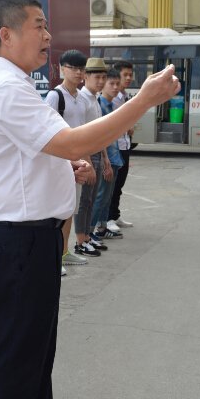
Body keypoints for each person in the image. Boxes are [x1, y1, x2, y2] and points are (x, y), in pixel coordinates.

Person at [0, 0, 179, 399]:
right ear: (6, 34)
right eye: (38, 25)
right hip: (17, 240)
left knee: (38, 339)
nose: (48, 35)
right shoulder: (3, 86)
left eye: (47, 25)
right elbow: (69, 141)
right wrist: (144, 100)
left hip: (35, 236)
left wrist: (65, 166)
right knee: (13, 352)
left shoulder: (17, 83)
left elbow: (38, 149)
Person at [45, 50, 98, 268]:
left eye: (81, 69)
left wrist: (88, 162)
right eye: (73, 68)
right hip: (59, 163)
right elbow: (47, 132)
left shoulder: (82, 99)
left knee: (69, 209)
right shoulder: (55, 96)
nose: (78, 72)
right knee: (56, 212)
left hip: (77, 164)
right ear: (61, 69)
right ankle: (52, 259)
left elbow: (83, 134)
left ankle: (64, 252)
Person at [77, 57, 111, 254]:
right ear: (86, 76)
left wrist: (105, 157)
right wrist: (88, 160)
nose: (101, 81)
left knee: (91, 199)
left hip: (98, 153)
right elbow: (82, 132)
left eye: (103, 77)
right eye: (97, 77)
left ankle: (88, 236)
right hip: (87, 155)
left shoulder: (95, 99)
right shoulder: (82, 99)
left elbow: (99, 132)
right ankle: (80, 241)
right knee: (84, 200)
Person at [93, 69, 125, 237]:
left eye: (117, 84)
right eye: (111, 84)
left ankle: (102, 228)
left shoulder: (111, 105)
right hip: (106, 158)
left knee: (107, 197)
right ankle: (90, 232)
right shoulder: (100, 104)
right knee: (100, 197)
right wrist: (105, 160)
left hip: (114, 157)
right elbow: (101, 136)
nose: (115, 87)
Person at [107, 60, 135, 230]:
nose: (129, 78)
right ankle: (108, 219)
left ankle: (115, 215)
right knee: (112, 185)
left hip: (125, 145)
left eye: (131, 75)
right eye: (125, 75)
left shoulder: (125, 96)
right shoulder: (112, 98)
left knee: (120, 185)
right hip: (114, 147)